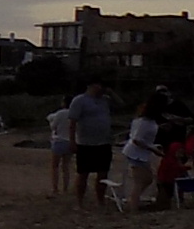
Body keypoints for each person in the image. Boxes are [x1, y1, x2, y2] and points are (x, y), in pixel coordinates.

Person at [68, 80, 114, 209]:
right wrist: (72, 141)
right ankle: (80, 202)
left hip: (104, 142)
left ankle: (100, 200)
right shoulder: (80, 100)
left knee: (103, 173)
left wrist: (112, 93)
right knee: (83, 173)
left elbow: (123, 105)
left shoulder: (105, 100)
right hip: (85, 143)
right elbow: (72, 123)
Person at [121, 95, 161, 211]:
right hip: (136, 154)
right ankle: (133, 206)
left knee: (147, 179)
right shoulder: (144, 122)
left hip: (141, 154)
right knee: (139, 181)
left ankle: (133, 200)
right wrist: (153, 149)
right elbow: (137, 140)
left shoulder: (146, 121)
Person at [46, 99, 73, 198]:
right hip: (70, 141)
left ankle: (55, 188)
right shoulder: (74, 114)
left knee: (55, 166)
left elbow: (53, 127)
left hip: (59, 141)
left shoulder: (60, 113)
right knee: (66, 167)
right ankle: (65, 188)